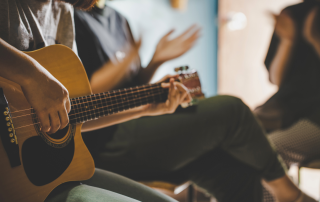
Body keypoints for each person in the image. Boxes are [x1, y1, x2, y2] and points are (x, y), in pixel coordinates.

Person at [74, 1, 316, 201]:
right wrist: (131, 55)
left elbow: (131, 85)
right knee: (232, 110)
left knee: (237, 174)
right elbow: (86, 96)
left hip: (137, 119)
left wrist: (156, 60)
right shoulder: (76, 16)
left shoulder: (118, 19)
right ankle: (288, 193)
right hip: (108, 135)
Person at [0, 0, 187, 201]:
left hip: (41, 175)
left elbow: (70, 113)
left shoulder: (63, 9)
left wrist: (144, 108)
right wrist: (31, 75)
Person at [253, 1, 320, 201]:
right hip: (287, 106)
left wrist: (315, 41)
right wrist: (288, 41)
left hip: (316, 117)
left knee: (271, 151)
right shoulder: (292, 14)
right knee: (234, 136)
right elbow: (277, 79)